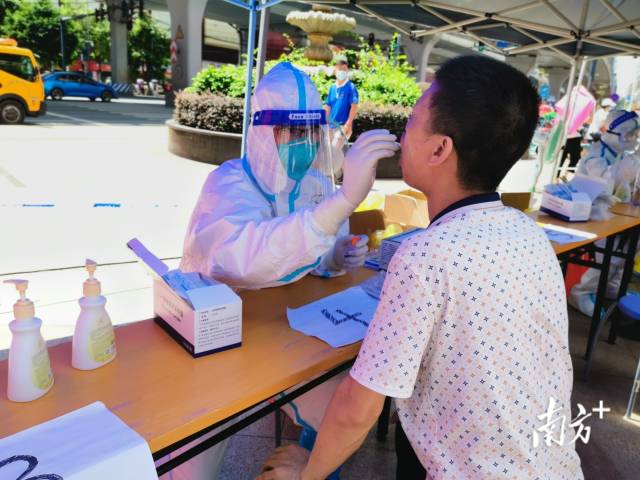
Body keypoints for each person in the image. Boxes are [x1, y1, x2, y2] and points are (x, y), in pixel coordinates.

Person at [259, 55, 583, 480]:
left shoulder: (426, 255)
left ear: (439, 149)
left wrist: (308, 474)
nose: (402, 133)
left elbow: (358, 409)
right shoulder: (530, 233)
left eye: (411, 121)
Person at [169, 62, 398, 480]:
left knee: (335, 414)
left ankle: (310, 468)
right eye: (291, 132)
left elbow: (312, 252)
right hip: (218, 334)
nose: (304, 144)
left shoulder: (311, 183)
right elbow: (245, 257)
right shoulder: (228, 184)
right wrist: (341, 204)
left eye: (309, 132)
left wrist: (335, 258)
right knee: (193, 460)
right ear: (262, 132)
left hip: (284, 329)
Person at [569, 109, 640, 317]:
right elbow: (607, 183)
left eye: (635, 135)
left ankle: (611, 286)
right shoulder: (597, 156)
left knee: (632, 244)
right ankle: (582, 292)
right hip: (590, 215)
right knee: (611, 251)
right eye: (629, 135)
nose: (632, 140)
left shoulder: (618, 153)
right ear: (614, 132)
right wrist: (631, 165)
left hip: (614, 214)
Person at [324, 55, 359, 140]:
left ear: (347, 71)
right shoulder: (332, 88)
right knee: (329, 148)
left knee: (335, 146)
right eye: (340, 69)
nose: (342, 72)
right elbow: (328, 106)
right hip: (330, 127)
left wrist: (348, 124)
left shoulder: (351, 87)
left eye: (344, 69)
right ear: (335, 71)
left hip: (343, 127)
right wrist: (324, 123)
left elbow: (354, 106)